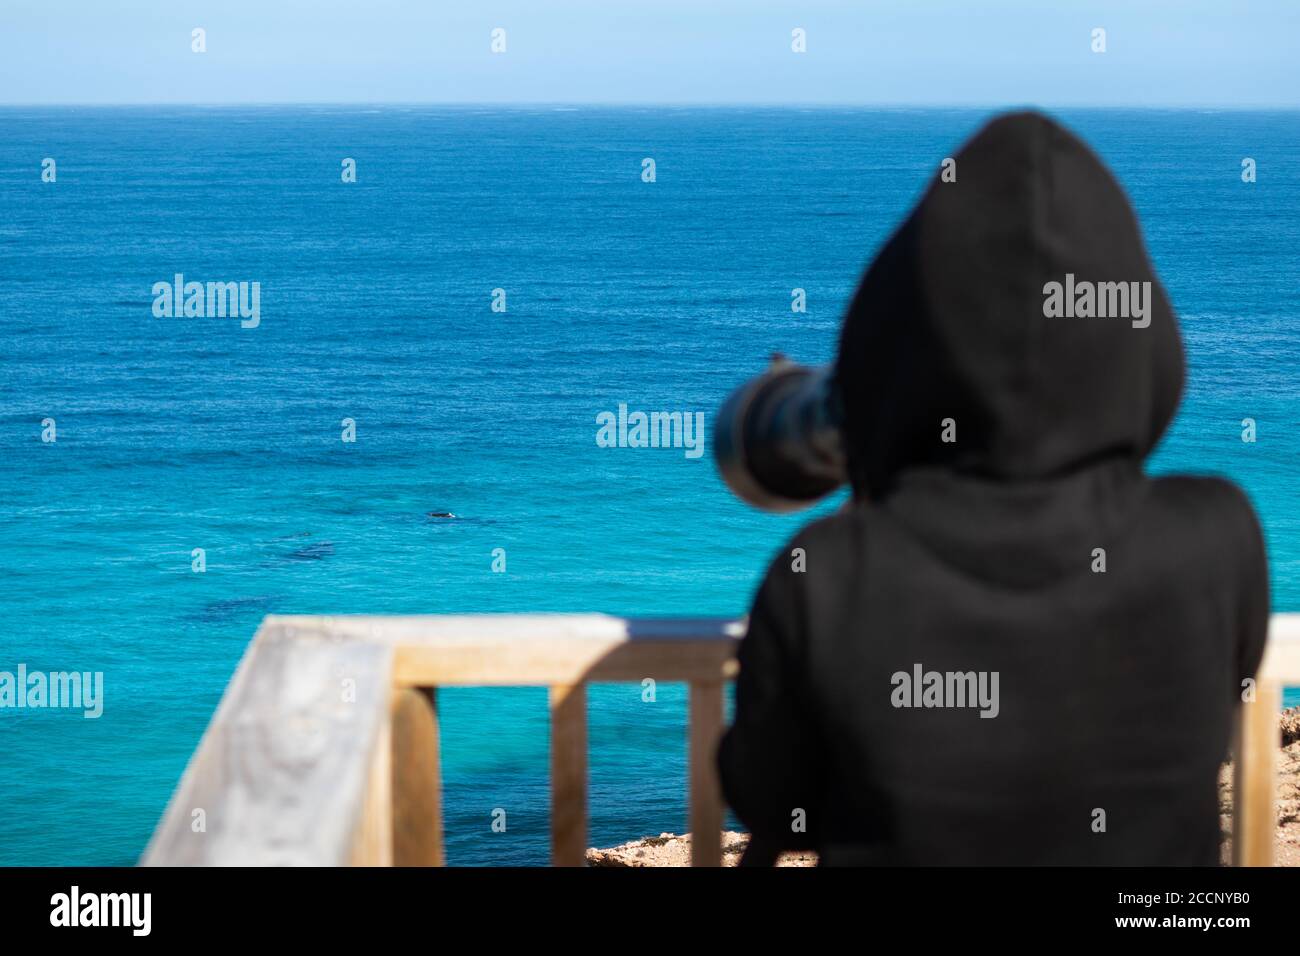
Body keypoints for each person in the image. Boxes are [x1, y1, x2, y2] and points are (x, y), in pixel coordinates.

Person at [717, 111, 1270, 866]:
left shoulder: (826, 576)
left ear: (888, 338)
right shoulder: (1219, 537)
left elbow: (769, 796)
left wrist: (878, 498)